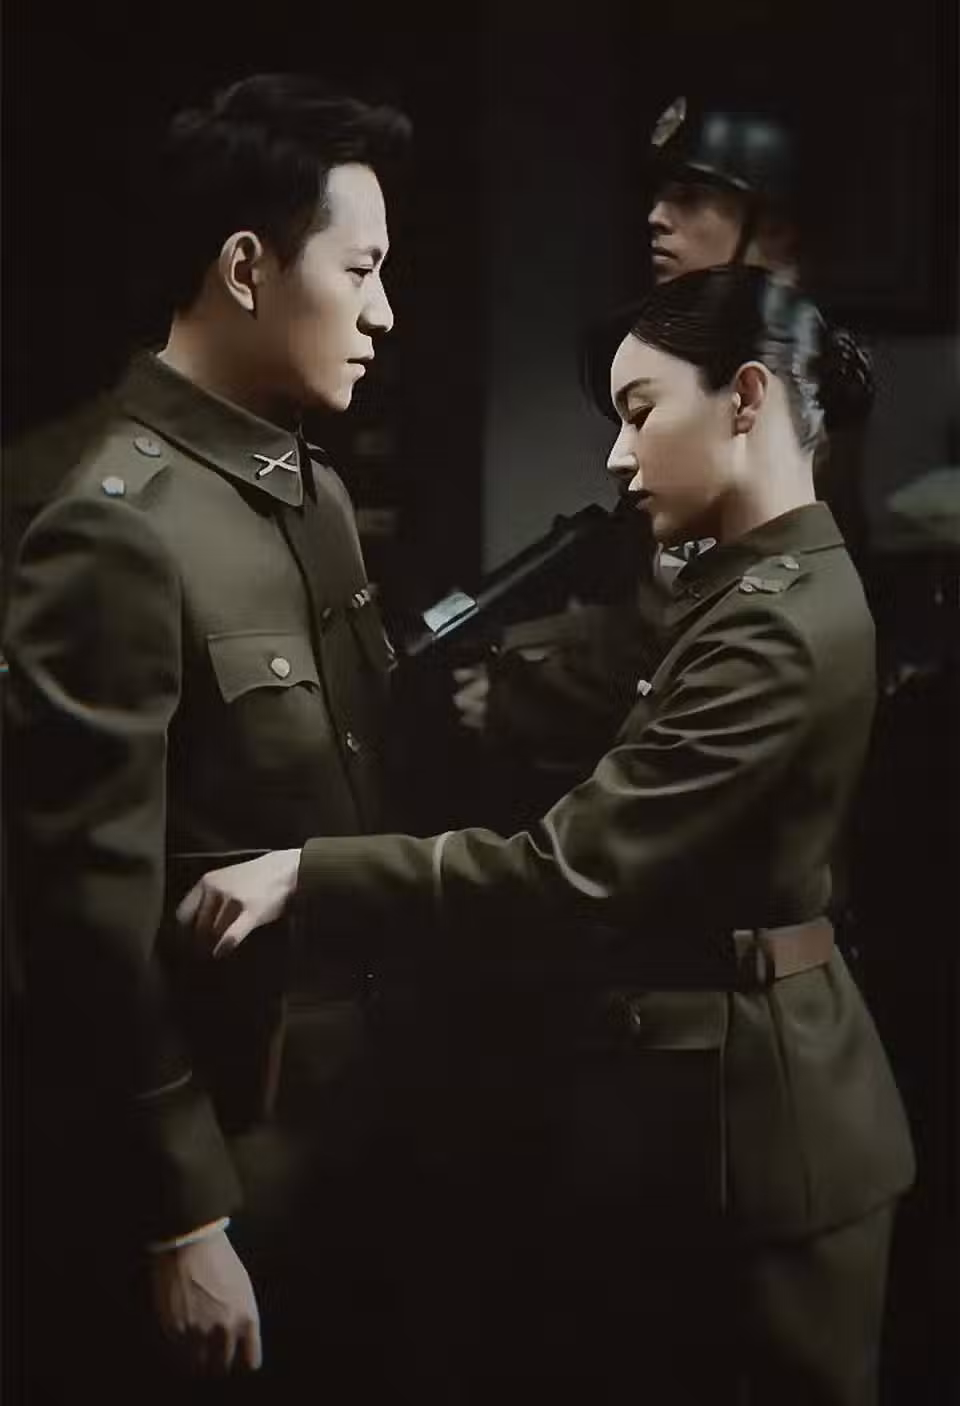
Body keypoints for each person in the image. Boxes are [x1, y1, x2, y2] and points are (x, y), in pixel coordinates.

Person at [179, 266, 915, 1405]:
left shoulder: (774, 625)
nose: (618, 457)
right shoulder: (746, 589)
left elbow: (571, 869)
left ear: (746, 397)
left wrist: (308, 874)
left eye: (639, 412)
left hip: (765, 1141)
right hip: (713, 1114)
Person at [3, 73, 409, 1396]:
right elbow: (82, 909)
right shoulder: (112, 520)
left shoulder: (313, 491)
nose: (384, 312)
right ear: (246, 267)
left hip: (356, 1120)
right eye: (361, 271)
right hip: (221, 1161)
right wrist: (181, 1213)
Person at [451, 96, 851, 812]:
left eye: (691, 198)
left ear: (776, 233)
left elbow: (686, 623)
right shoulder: (731, 356)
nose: (657, 217)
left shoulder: (781, 389)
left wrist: (517, 696)